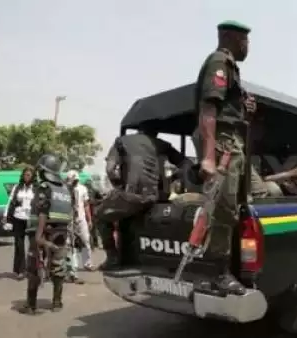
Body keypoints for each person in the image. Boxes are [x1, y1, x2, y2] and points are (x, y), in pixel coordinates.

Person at [189, 20, 258, 295]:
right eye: (245, 41)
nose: (247, 47)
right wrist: (208, 157)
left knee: (232, 209)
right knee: (222, 209)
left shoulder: (232, 68)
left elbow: (230, 111)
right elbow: (209, 108)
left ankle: (226, 269)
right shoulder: (219, 61)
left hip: (232, 143)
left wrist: (246, 108)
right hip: (222, 146)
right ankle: (218, 273)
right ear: (230, 37)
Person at [98, 123, 192, 270]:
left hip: (131, 196)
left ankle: (113, 258)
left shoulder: (121, 141)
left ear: (139, 130)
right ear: (155, 134)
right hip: (155, 197)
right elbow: (186, 163)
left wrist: (119, 187)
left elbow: (111, 170)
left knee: (100, 216)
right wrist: (175, 178)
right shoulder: (162, 144)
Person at [20, 154, 73, 315]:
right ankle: (57, 303)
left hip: (41, 232)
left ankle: (31, 305)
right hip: (61, 232)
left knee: (34, 266)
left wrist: (38, 236)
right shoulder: (64, 189)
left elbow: (42, 211)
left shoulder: (44, 187)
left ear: (44, 171)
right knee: (59, 266)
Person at [2, 167, 35, 280]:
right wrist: (5, 216)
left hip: (31, 218)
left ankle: (32, 270)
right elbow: (10, 202)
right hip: (18, 217)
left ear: (33, 176)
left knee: (33, 245)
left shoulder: (35, 188)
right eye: (25, 175)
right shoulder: (17, 187)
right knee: (19, 245)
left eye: (29, 175)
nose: (27, 177)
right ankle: (20, 270)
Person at [66, 170, 96, 271]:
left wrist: (89, 220)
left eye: (76, 180)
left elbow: (86, 205)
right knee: (70, 242)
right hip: (69, 219)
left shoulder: (83, 189)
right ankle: (72, 265)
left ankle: (87, 263)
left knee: (86, 240)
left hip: (81, 218)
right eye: (72, 180)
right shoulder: (65, 189)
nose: (74, 182)